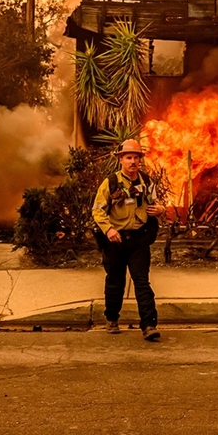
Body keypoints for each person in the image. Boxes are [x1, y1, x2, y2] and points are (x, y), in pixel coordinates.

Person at [91, 139, 166, 341]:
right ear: (120, 160)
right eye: (129, 157)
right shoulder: (110, 183)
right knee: (115, 281)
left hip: (139, 240)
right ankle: (112, 318)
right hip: (115, 241)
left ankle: (149, 325)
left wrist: (160, 210)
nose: (133, 161)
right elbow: (98, 212)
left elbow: (156, 203)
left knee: (142, 282)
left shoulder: (146, 182)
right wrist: (108, 230)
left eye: (136, 157)